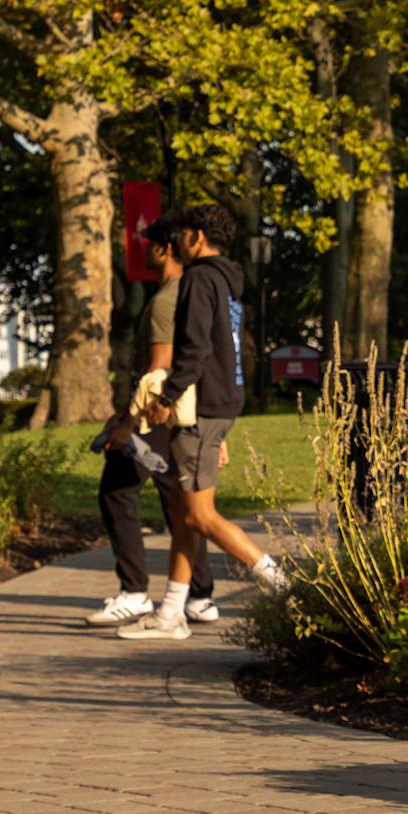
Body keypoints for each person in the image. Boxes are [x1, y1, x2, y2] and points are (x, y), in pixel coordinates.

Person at [118, 205, 291, 641]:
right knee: (183, 514)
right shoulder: (227, 280)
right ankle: (170, 615)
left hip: (202, 407)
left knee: (200, 514)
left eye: (181, 235)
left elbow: (194, 349)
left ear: (196, 237)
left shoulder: (198, 279)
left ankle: (288, 587)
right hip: (220, 402)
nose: (175, 242)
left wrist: (167, 397)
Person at [85, 214, 217, 627]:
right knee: (179, 500)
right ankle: (200, 596)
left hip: (158, 412)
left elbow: (159, 368)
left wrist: (127, 420)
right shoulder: (191, 292)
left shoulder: (165, 300)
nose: (142, 249)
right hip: (184, 411)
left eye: (149, 243)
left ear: (165, 248)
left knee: (116, 491)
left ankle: (134, 593)